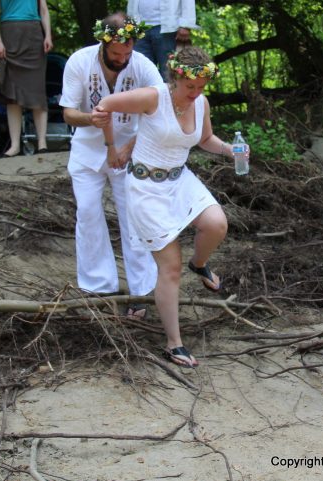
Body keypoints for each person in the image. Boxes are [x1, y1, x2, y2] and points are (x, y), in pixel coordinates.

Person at [97, 46, 249, 368]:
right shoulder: (154, 97)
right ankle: (174, 343)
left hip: (180, 181)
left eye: (202, 87)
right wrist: (113, 145)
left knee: (217, 224)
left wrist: (231, 150)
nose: (196, 93)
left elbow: (206, 139)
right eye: (190, 87)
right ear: (175, 77)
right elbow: (105, 105)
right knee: (170, 268)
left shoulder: (201, 102)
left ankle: (201, 263)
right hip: (146, 188)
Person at [59, 13, 161, 317]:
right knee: (88, 213)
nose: (122, 58)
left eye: (127, 52)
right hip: (88, 150)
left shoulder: (141, 65)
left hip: (131, 150)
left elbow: (162, 105)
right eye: (116, 53)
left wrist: (131, 145)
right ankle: (100, 286)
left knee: (134, 218)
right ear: (103, 43)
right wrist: (90, 119)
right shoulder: (80, 61)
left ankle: (141, 291)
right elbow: (67, 112)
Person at [0, 0, 52, 157]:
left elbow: (43, 10)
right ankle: (15, 145)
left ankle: (42, 143)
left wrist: (48, 36)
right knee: (12, 92)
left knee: (37, 89)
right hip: (9, 34)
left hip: (34, 34)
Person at [127, 0, 198, 80]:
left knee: (168, 73)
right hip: (139, 26)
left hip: (167, 28)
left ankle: (169, 92)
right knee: (139, 71)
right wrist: (130, 24)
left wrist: (186, 24)